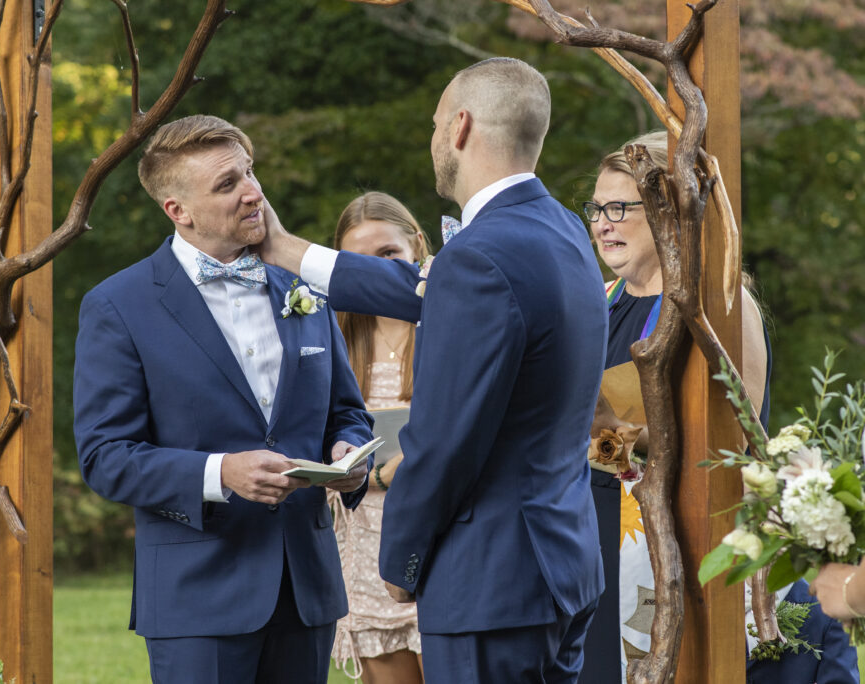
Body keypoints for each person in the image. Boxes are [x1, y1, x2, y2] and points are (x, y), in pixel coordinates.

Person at [260, 57, 608, 683]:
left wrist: (402, 559)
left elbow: (447, 437)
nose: (431, 140)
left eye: (433, 124)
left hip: (491, 583)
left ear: (460, 126)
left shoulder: (480, 255)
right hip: (561, 565)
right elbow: (421, 286)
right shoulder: (562, 229)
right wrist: (285, 249)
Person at [72, 115, 375, 684]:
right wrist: (219, 473)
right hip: (198, 596)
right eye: (227, 184)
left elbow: (347, 411)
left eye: (249, 172)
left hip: (305, 588)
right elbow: (104, 456)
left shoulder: (303, 288)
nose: (253, 192)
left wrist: (349, 455)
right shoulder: (119, 306)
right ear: (177, 210)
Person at [581, 130, 771, 682]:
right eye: (596, 208)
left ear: (668, 213)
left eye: (620, 207)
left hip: (675, 544)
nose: (602, 222)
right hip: (586, 542)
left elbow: (738, 442)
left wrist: (613, 431)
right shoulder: (597, 305)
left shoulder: (720, 311)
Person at [328, 192, 429, 684]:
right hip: (366, 541)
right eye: (358, 262)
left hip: (438, 534)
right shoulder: (336, 334)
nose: (377, 274)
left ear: (418, 247)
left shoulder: (444, 324)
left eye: (389, 256)